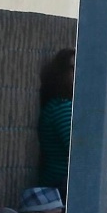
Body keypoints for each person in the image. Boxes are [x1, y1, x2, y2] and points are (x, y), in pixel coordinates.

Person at [37, 47, 76, 189]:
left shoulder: (68, 105)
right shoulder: (61, 107)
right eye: (73, 68)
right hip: (61, 185)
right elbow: (79, 150)